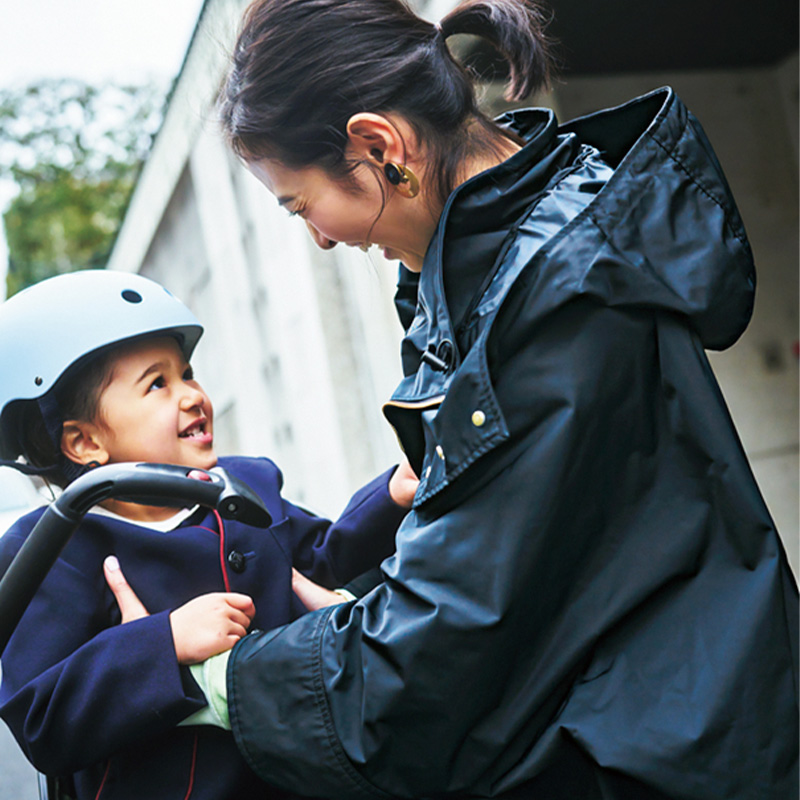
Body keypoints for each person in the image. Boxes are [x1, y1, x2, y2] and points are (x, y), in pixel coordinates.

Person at [106, 0, 799, 797]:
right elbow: (514, 572)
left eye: (301, 206)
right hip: (666, 725)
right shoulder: (518, 254)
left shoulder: (551, 290)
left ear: (377, 146)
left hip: (656, 760)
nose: (322, 239)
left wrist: (217, 679)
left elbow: (438, 644)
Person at [0, 269, 417, 800]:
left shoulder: (242, 489)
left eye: (188, 373)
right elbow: (43, 718)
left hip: (303, 771)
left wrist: (390, 497)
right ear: (85, 442)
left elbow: (318, 559)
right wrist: (163, 642)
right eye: (158, 383)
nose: (192, 395)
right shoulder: (53, 548)